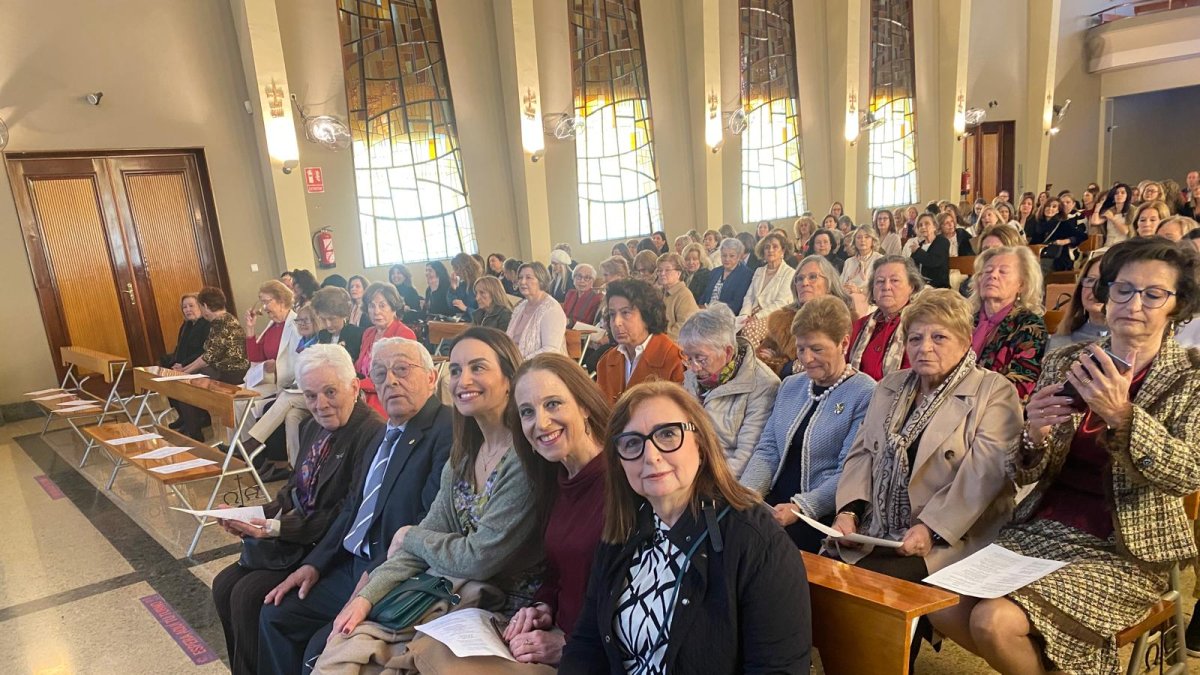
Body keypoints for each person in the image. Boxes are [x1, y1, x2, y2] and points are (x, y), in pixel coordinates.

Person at [932, 238, 1200, 675]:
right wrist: (1033, 433)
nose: (1134, 303)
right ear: (1106, 294)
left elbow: (1188, 474)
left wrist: (1124, 416)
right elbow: (1027, 470)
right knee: (939, 604)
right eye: (1123, 289)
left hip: (1123, 548)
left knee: (994, 621)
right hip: (1042, 529)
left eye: (1154, 294)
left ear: (1176, 305)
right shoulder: (1067, 362)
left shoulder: (1191, 377)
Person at [319, 329, 545, 668]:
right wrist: (365, 599)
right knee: (341, 649)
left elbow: (478, 557)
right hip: (457, 593)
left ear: (510, 378)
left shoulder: (523, 456)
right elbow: (430, 532)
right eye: (455, 370)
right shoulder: (465, 455)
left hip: (512, 609)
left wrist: (410, 534)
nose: (463, 379)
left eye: (478, 367)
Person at [559, 381, 812, 673]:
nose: (651, 456)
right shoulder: (621, 533)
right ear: (620, 463)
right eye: (632, 443)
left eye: (667, 435)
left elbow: (777, 670)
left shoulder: (757, 541)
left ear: (701, 446)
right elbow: (586, 644)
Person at [258, 337, 452, 675]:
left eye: (402, 369)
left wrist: (375, 577)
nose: (390, 380)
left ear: (432, 377)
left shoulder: (444, 430)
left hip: (389, 571)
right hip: (348, 563)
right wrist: (315, 564)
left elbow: (430, 522)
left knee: (322, 649)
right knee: (276, 614)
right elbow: (353, 507)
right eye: (380, 373)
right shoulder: (385, 433)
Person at [211, 345, 384, 675]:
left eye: (330, 391)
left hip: (325, 547)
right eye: (311, 395)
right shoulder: (311, 427)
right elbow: (293, 491)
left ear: (354, 386)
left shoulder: (371, 432)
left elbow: (346, 512)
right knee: (224, 585)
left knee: (249, 596)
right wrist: (252, 515)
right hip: (293, 538)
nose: (320, 404)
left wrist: (275, 529)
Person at [832, 288, 1020, 588]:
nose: (925, 348)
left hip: (952, 536)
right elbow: (862, 455)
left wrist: (931, 528)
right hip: (875, 529)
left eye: (939, 338)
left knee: (873, 589)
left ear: (964, 341)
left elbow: (984, 476)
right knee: (823, 573)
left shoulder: (994, 391)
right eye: (915, 338)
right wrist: (849, 511)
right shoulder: (890, 386)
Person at [741, 296, 876, 552]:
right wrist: (748, 493)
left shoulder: (865, 392)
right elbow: (768, 449)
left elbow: (849, 471)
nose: (807, 358)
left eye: (817, 349)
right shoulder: (791, 385)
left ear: (843, 343)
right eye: (801, 349)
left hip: (820, 514)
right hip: (775, 505)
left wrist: (802, 507)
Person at [679, 304, 779, 478]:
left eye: (701, 359)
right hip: (688, 468)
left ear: (727, 351)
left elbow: (747, 457)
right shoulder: (692, 376)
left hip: (723, 480)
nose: (694, 367)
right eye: (689, 358)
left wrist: (702, 481)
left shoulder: (763, 385)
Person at [969, 246, 1048, 401]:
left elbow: (1021, 386)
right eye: (987, 271)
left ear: (1021, 285)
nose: (993, 275)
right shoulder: (965, 319)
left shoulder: (1029, 325)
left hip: (995, 410)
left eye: (1003, 271)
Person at [758, 256, 853, 376]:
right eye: (799, 279)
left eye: (813, 277)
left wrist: (788, 365)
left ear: (829, 284)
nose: (804, 283)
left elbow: (842, 362)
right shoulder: (781, 321)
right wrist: (779, 364)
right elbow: (762, 359)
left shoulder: (846, 318)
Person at [596, 279, 685, 405]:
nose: (616, 322)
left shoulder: (675, 360)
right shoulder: (606, 361)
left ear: (647, 316)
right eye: (611, 314)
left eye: (625, 313)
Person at [176, 287, 250, 440]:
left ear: (205, 306)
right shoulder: (225, 319)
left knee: (185, 385)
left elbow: (208, 357)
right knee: (186, 379)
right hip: (222, 369)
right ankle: (194, 427)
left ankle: (196, 434)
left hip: (231, 373)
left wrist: (185, 372)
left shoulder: (221, 322)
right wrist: (185, 369)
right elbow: (207, 354)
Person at [847, 256, 925, 381]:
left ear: (912, 286)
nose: (886, 287)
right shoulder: (859, 326)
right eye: (880, 281)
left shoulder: (922, 326)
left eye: (894, 280)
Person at [356, 282, 418, 415]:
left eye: (382, 305)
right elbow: (359, 368)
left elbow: (398, 376)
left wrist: (358, 385)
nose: (376, 311)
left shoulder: (404, 334)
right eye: (372, 306)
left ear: (394, 308)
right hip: (362, 394)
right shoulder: (368, 333)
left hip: (390, 395)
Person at [242, 280, 301, 399]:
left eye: (266, 302)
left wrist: (276, 367)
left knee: (242, 400)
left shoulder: (296, 325)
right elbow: (255, 357)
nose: (263, 308)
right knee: (234, 397)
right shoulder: (273, 324)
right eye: (262, 302)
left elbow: (299, 363)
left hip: (284, 385)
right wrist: (250, 327)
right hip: (268, 381)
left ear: (281, 301)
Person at [738, 232, 797, 345]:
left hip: (774, 316)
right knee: (730, 328)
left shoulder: (789, 273)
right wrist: (744, 315)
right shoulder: (759, 271)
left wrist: (756, 317)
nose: (770, 250)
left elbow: (781, 303)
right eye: (767, 247)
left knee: (750, 330)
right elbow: (749, 297)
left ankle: (752, 362)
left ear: (783, 251)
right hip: (752, 313)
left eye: (775, 247)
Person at [507, 261, 568, 357]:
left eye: (528, 277)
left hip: (543, 366)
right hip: (516, 363)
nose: (522, 282)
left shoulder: (551, 309)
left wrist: (522, 362)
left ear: (541, 280)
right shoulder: (520, 307)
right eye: (520, 278)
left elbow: (551, 350)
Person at [1048, 254, 1108, 352]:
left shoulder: (1131, 341)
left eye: (1104, 283)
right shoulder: (1064, 336)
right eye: (1091, 280)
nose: (1095, 289)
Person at [700, 237, 753, 314]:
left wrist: (713, 311)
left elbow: (737, 304)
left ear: (738, 257)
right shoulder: (715, 272)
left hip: (726, 316)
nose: (727, 259)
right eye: (724, 255)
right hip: (706, 313)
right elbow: (704, 295)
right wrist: (701, 307)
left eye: (732, 256)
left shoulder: (746, 275)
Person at [161, 293, 211, 370]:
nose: (188, 310)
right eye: (184, 307)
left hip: (198, 365)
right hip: (182, 363)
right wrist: (175, 363)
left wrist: (183, 364)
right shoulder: (186, 325)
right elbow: (179, 347)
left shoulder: (208, 324)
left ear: (200, 307)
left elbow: (204, 352)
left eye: (191, 306)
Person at [656, 252, 699, 341]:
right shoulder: (660, 292)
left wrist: (658, 339)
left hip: (675, 344)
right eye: (659, 270)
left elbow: (684, 328)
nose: (662, 273)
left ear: (678, 273)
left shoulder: (684, 294)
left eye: (667, 270)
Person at [313, 286, 363, 363]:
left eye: (332, 319)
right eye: (323, 319)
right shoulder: (322, 334)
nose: (328, 324)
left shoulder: (357, 334)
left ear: (344, 314)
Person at [908, 213, 952, 289]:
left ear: (935, 226)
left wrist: (917, 251)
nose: (923, 227)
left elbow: (934, 261)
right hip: (921, 286)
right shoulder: (919, 245)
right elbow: (911, 266)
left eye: (927, 224)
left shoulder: (942, 241)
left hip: (938, 287)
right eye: (920, 225)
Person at [842, 226, 884, 301]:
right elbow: (841, 283)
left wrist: (859, 291)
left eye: (867, 237)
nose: (862, 240)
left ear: (873, 241)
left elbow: (880, 286)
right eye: (859, 237)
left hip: (870, 301)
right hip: (849, 299)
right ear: (854, 241)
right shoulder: (849, 262)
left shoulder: (880, 259)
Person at [562, 263, 603, 329]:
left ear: (593, 281)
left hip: (581, 335)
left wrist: (569, 322)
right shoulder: (570, 293)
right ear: (573, 278)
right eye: (579, 276)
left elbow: (590, 323)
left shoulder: (596, 298)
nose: (582, 281)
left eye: (587, 277)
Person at [449, 252, 483, 320]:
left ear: (464, 268)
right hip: (464, 322)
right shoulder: (462, 285)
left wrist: (466, 309)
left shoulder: (481, 285)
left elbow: (485, 314)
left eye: (456, 269)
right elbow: (453, 307)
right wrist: (453, 288)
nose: (455, 272)